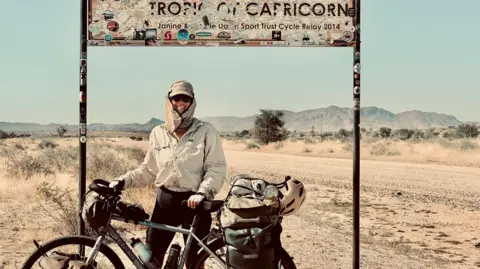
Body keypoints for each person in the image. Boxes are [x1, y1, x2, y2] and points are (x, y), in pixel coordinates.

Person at [109, 80, 227, 267]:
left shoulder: (205, 131)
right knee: (151, 257)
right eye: (176, 98)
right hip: (165, 203)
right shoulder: (158, 132)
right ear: (169, 101)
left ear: (192, 102)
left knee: (194, 261)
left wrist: (202, 192)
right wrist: (122, 181)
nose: (181, 103)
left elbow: (216, 167)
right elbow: (148, 170)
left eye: (185, 99)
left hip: (195, 203)